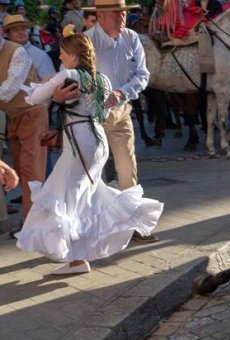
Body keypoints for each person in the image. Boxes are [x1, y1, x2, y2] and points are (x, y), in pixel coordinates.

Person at [15, 24, 164, 275]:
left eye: (62, 53)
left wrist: (53, 94)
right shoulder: (102, 79)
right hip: (96, 141)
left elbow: (33, 98)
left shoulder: (68, 75)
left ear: (73, 56)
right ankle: (79, 258)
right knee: (85, 197)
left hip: (81, 144)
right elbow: (101, 112)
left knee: (67, 198)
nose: (59, 56)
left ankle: (77, 260)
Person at [80, 0, 158, 243]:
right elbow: (72, 75)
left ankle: (132, 224)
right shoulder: (85, 41)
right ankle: (94, 227)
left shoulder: (131, 37)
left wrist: (122, 93)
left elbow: (143, 74)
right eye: (118, 12)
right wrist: (99, 96)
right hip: (92, 114)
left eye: (124, 12)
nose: (123, 17)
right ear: (101, 16)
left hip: (122, 112)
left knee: (127, 169)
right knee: (94, 171)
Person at [0, 19, 49, 239]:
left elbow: (8, 90)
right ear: (8, 32)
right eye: (16, 29)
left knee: (31, 171)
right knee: (20, 170)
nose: (21, 32)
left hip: (32, 115)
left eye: (24, 28)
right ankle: (31, 221)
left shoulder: (17, 52)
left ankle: (32, 225)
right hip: (14, 117)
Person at [3, 14, 56, 82]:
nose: (21, 32)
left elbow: (51, 83)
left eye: (23, 29)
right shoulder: (3, 53)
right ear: (8, 34)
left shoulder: (40, 55)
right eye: (15, 30)